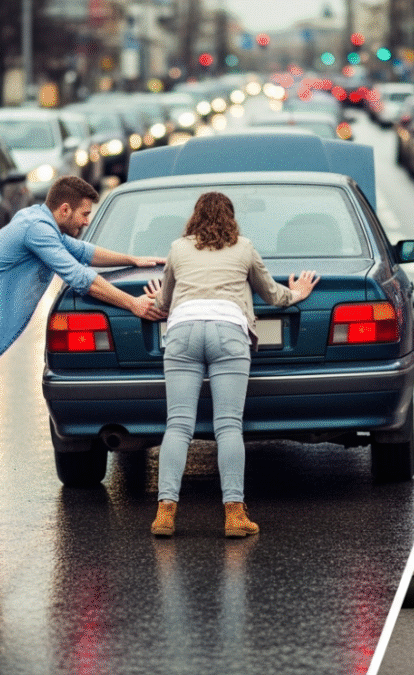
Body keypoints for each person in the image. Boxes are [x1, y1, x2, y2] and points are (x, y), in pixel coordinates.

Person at [0, 176, 166, 504]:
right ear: (64, 208)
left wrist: (133, 260)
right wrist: (134, 304)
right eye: (83, 214)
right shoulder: (37, 230)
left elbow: (85, 252)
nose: (86, 221)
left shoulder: (44, 224)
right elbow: (81, 278)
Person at [144, 191, 319, 538]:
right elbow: (272, 294)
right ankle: (234, 515)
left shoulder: (179, 248)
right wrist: (297, 293)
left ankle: (165, 513)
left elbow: (164, 302)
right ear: (231, 218)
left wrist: (156, 294)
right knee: (228, 426)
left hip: (182, 333)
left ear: (195, 217)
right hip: (228, 332)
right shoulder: (244, 247)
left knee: (178, 425)